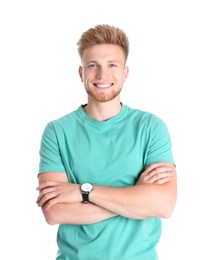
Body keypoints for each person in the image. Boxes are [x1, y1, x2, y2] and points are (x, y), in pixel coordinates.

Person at [36, 24, 177, 260]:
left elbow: (163, 205)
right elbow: (54, 211)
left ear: (125, 73)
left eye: (112, 65)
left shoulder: (151, 128)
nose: (102, 75)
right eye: (93, 66)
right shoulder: (57, 131)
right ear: (81, 73)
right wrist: (136, 198)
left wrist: (83, 192)